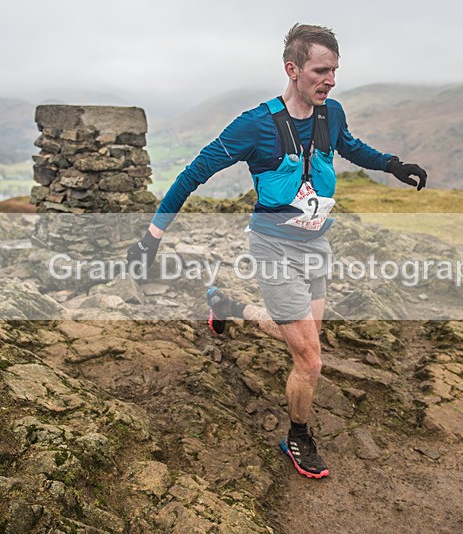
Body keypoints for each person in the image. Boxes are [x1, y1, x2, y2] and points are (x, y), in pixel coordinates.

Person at [127, 23, 427, 479]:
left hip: (316, 244)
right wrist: (152, 237)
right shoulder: (255, 126)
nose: (330, 80)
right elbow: (192, 175)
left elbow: (350, 147)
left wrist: (392, 165)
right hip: (273, 247)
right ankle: (298, 436)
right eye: (320, 71)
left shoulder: (332, 114)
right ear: (293, 69)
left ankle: (228, 306)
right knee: (309, 359)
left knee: (304, 337)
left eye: (334, 71)